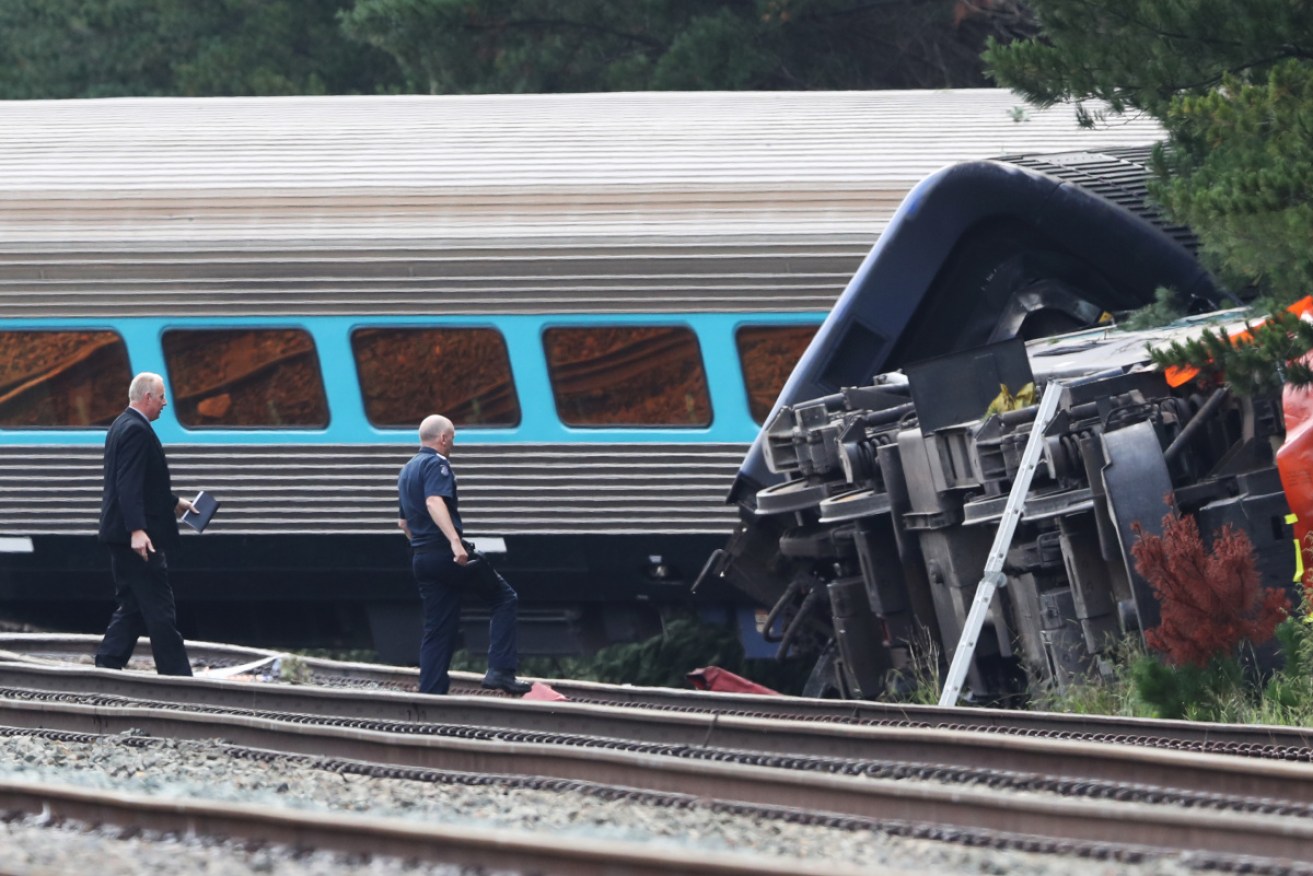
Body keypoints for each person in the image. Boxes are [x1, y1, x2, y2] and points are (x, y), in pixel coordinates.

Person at [398, 414, 531, 695]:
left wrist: (421, 547)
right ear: (443, 438)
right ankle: (501, 671)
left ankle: (431, 694)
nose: (453, 443)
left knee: (437, 628)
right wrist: (455, 543)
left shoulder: (407, 470)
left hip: (421, 557)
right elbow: (434, 501)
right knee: (503, 598)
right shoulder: (437, 464)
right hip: (446, 554)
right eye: (453, 438)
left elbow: (403, 523)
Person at [95, 372, 195, 676]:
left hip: (120, 533)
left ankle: (107, 665)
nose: (165, 403)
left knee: (133, 606)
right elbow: (127, 484)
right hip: (137, 538)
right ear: (148, 397)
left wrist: (174, 503)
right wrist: (137, 531)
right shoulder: (136, 430)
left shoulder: (121, 424)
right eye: (162, 396)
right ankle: (178, 679)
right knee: (159, 607)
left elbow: (142, 484)